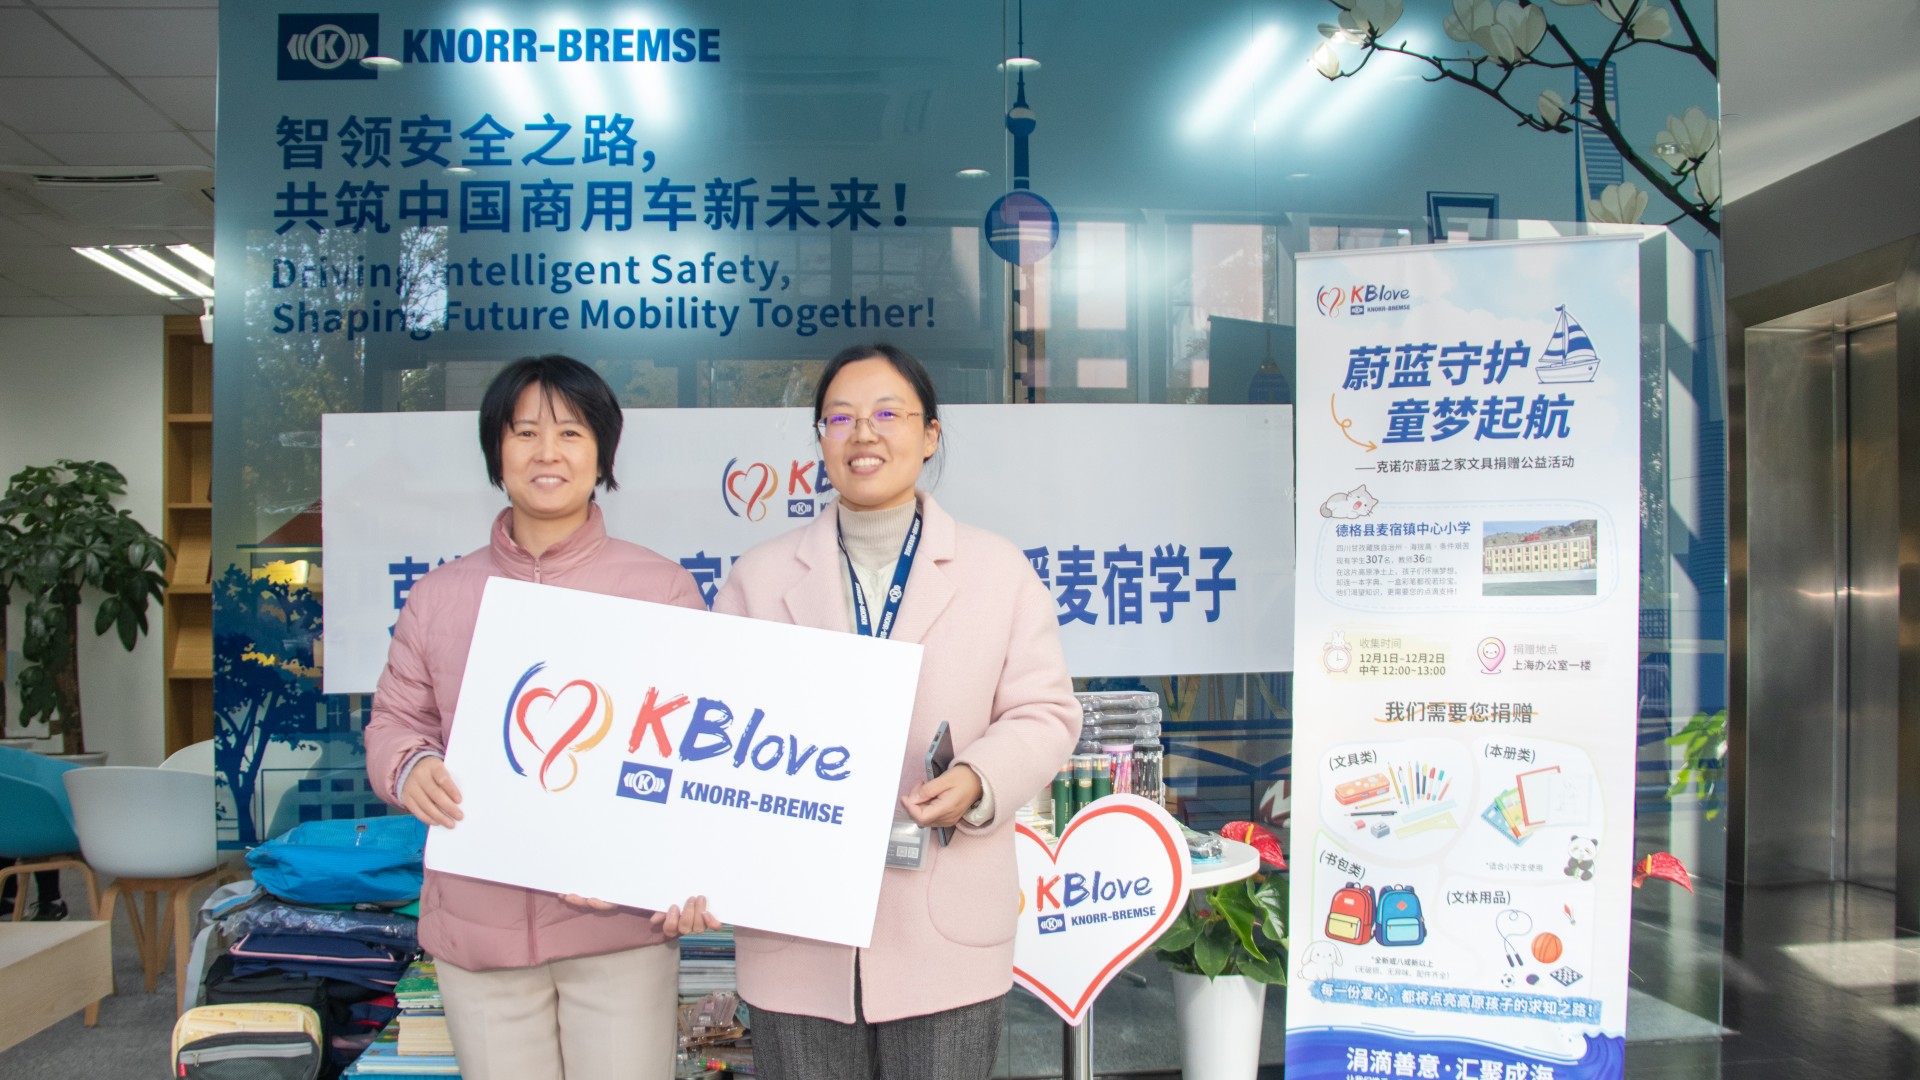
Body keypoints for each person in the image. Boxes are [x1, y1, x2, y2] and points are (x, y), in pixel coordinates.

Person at [713, 343, 1081, 1080]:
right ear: (820, 438)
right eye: (840, 417)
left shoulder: (997, 570)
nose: (864, 434)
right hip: (799, 928)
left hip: (944, 922)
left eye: (888, 414)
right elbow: (717, 731)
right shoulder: (759, 577)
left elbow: (1045, 712)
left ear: (931, 433)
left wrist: (978, 778)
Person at [365, 355, 718, 1080]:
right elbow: (396, 720)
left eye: (571, 433)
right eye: (525, 432)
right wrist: (410, 765)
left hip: (618, 929)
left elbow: (694, 757)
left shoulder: (662, 589)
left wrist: (666, 865)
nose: (547, 452)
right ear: (496, 451)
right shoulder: (439, 596)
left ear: (603, 453)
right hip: (479, 930)